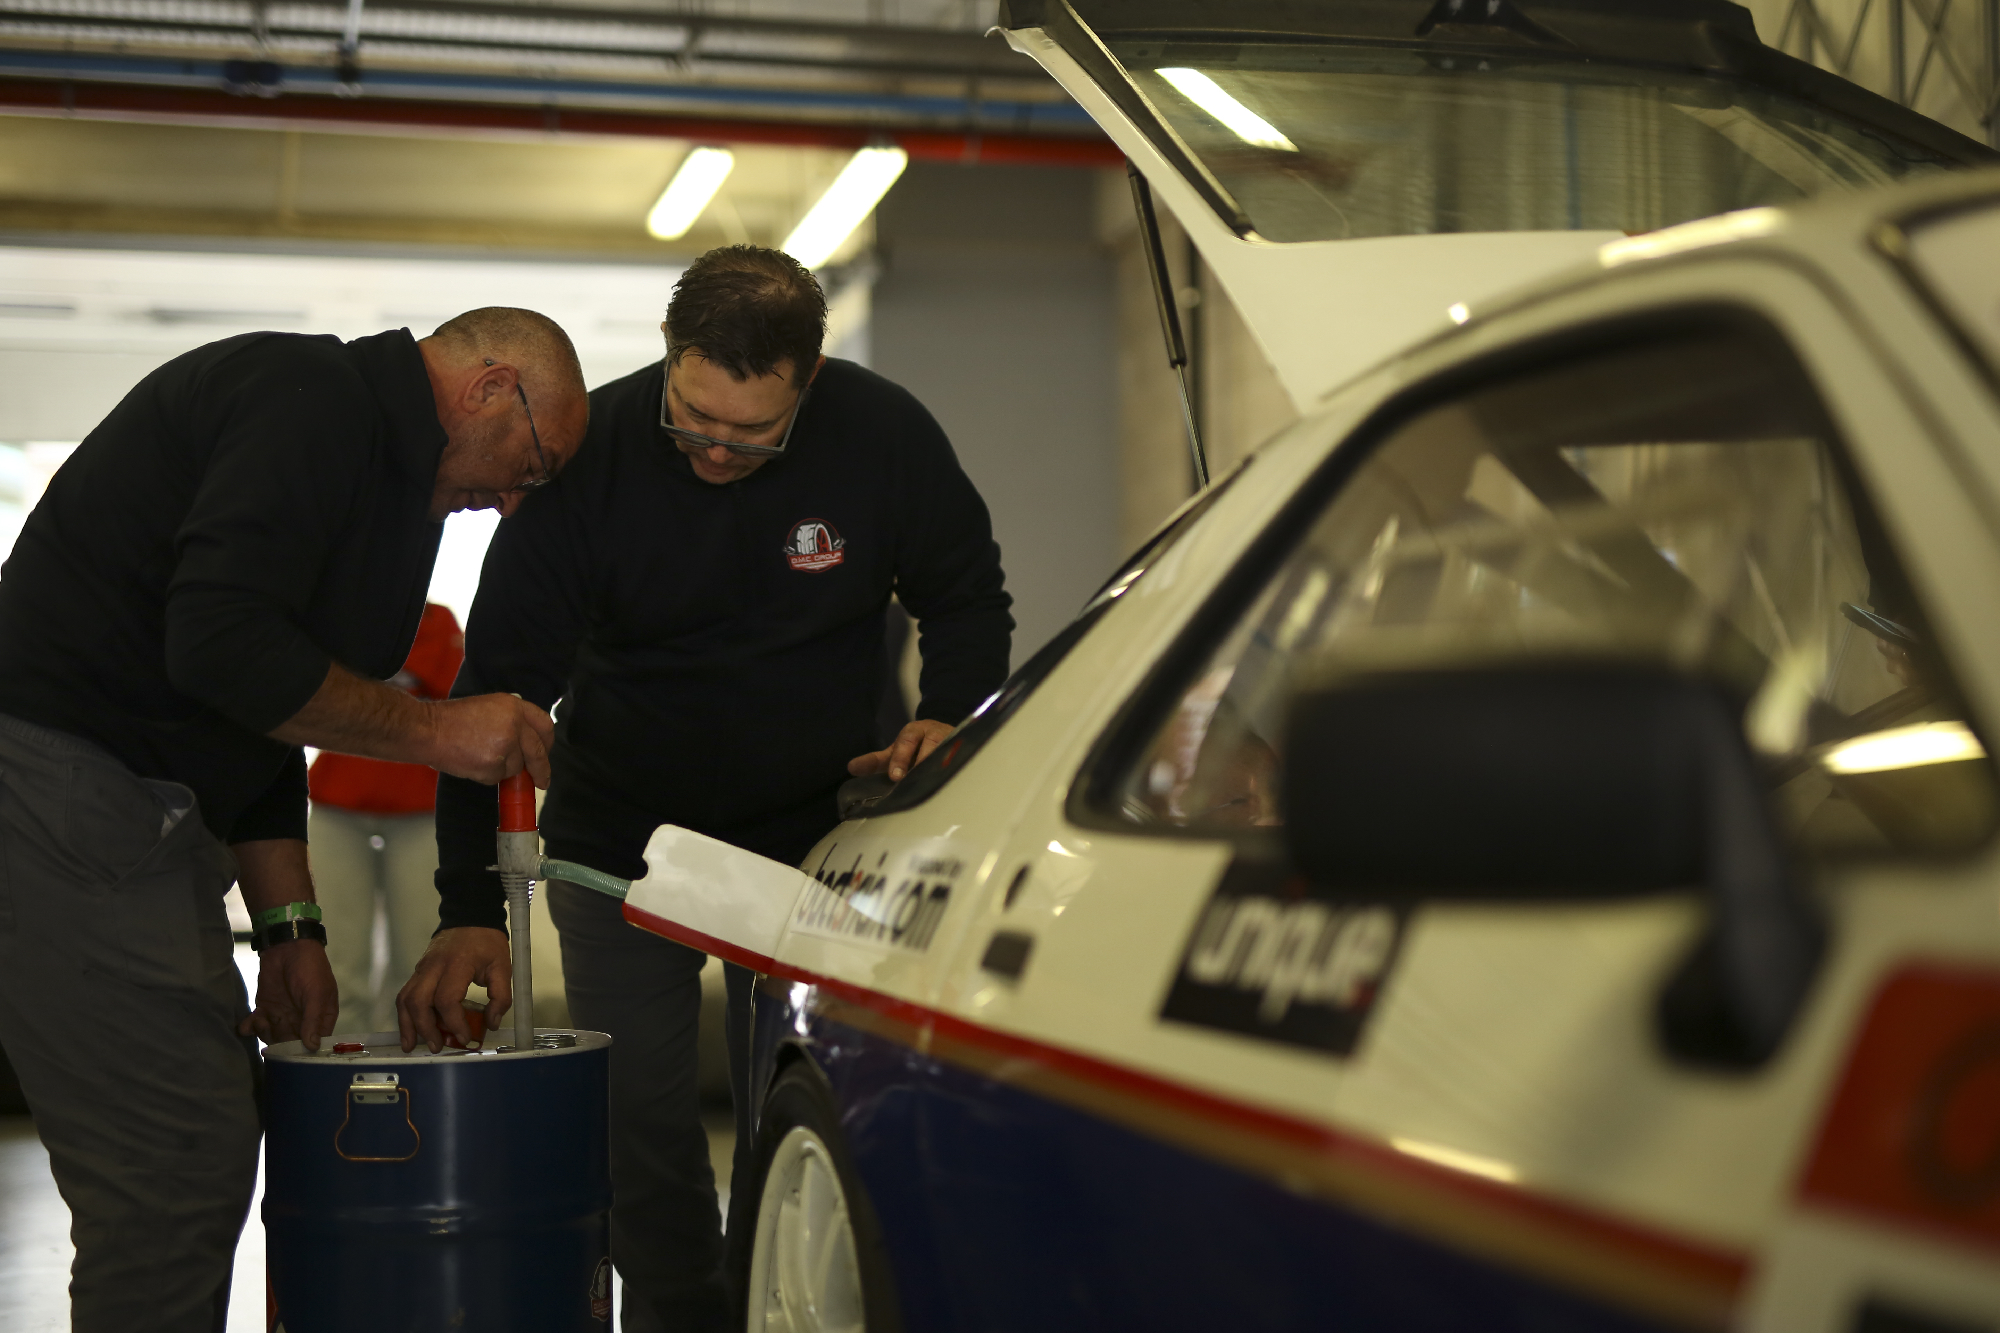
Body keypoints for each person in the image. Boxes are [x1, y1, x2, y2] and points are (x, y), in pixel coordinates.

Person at [405, 246, 1013, 1331]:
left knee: (795, 1111)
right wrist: (466, 901)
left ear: (808, 379)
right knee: (640, 1133)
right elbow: (489, 699)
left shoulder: (882, 434)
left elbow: (967, 595)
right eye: (693, 419)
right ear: (668, 353)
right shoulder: (589, 457)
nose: (719, 449)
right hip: (620, 847)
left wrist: (948, 716)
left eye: (752, 431)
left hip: (812, 848)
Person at [0, 306, 589, 1332]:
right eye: (527, 467)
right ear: (490, 388)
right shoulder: (309, 405)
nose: (510, 501)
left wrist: (288, 927)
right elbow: (220, 646)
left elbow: (262, 714)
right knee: (171, 1154)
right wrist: (440, 730)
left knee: (205, 1130)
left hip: (139, 809)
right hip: (62, 784)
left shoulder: (387, 479)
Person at [308, 601, 467, 1035]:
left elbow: (457, 699)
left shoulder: (436, 621)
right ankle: (335, 1061)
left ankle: (408, 1061)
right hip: (338, 805)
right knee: (335, 956)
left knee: (418, 955)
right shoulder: (338, 616)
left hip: (420, 811)